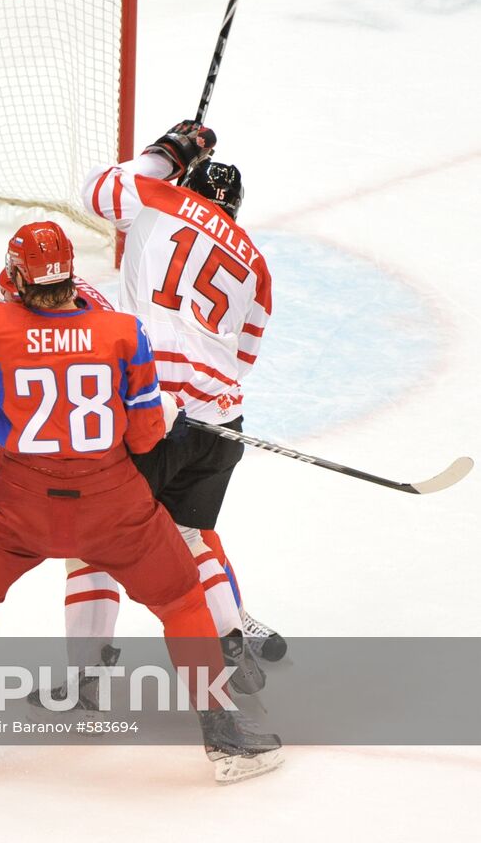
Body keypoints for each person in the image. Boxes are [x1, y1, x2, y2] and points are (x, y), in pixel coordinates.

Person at [0, 221, 283, 784]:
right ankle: (225, 737)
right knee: (183, 601)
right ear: (70, 276)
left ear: (16, 276)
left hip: (16, 504)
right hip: (111, 505)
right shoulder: (122, 331)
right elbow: (142, 441)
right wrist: (156, 411)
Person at [74, 120, 285, 666]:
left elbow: (96, 189)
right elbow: (241, 362)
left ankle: (86, 677)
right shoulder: (257, 265)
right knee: (189, 533)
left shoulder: (159, 197)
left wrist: (164, 154)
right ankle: (229, 633)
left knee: (93, 540)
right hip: (220, 418)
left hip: (153, 409)